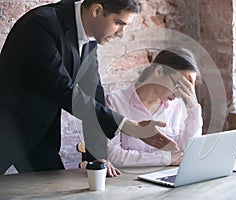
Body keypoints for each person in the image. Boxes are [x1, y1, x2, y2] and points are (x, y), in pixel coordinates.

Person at [0, 0, 178, 174]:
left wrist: (98, 157)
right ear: (96, 10)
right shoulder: (40, 24)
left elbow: (94, 95)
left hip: (40, 137)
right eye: (118, 23)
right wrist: (127, 125)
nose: (121, 33)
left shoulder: (89, 39)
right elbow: (62, 89)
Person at [105, 47, 203, 175]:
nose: (180, 95)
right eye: (179, 85)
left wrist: (193, 106)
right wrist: (166, 158)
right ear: (158, 71)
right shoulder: (115, 102)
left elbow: (189, 151)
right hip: (126, 183)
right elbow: (115, 156)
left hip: (164, 182)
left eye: (187, 89)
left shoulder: (176, 106)